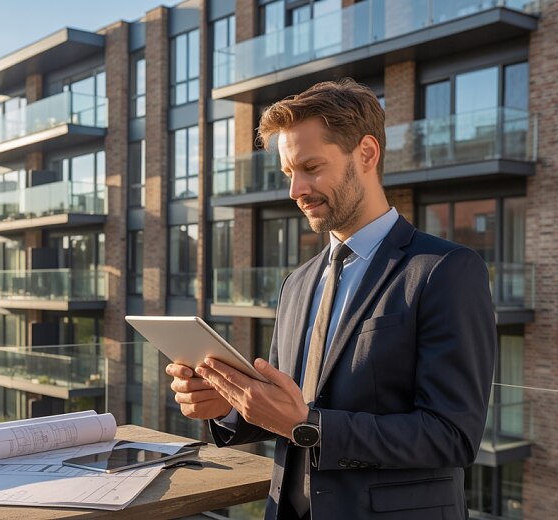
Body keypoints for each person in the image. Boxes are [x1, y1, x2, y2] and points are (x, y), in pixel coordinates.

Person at [166, 79, 496, 519]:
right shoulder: (297, 283)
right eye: (288, 173)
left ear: (366, 154)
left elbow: (452, 434)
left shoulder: (444, 269)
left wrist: (309, 426)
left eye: (311, 167)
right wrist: (230, 405)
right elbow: (288, 407)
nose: (295, 190)